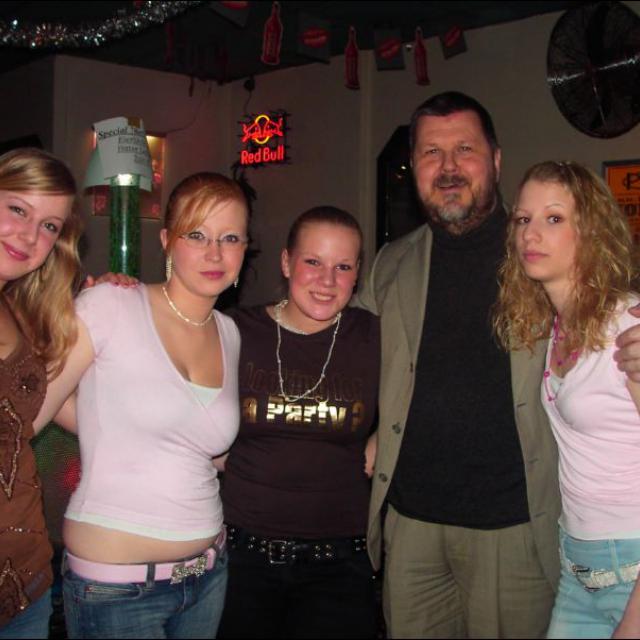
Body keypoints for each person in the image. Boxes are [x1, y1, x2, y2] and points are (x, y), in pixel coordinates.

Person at [356, 92, 561, 638]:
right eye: (431, 152)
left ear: (496, 160)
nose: (448, 168)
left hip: (512, 528)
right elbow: (345, 351)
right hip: (411, 527)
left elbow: (605, 314)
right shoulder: (391, 263)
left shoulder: (541, 253)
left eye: (464, 149)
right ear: (413, 166)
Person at [34, 172, 249, 639]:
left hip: (208, 575)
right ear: (167, 240)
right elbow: (30, 410)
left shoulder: (229, 333)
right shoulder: (111, 304)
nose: (215, 253)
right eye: (197, 235)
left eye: (230, 238)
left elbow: (198, 444)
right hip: (115, 590)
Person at [217, 206, 380, 639]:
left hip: (339, 564)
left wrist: (385, 439)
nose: (327, 281)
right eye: (313, 261)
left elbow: (434, 387)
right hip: (243, 557)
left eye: (342, 267)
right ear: (287, 262)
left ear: (357, 273)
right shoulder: (236, 330)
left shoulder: (374, 336)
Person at [494, 160, 640, 639]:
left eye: (553, 218)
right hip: (576, 569)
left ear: (591, 232)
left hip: (631, 568)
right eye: (523, 219)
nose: (531, 233)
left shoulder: (627, 327)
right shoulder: (553, 326)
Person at [0, 147, 81, 639]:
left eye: (49, 225)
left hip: (26, 584)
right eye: (17, 209)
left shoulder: (20, 314)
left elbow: (75, 412)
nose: (30, 236)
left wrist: (111, 313)